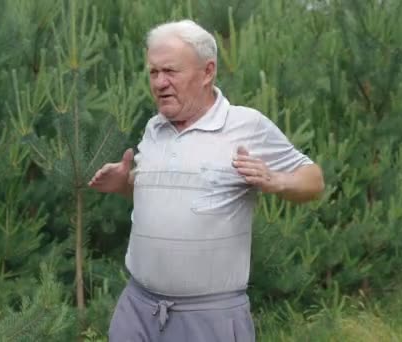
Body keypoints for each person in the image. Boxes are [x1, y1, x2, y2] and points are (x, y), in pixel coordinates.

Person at [89, 19, 325, 342]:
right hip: (137, 311)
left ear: (208, 71)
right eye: (153, 72)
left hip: (208, 320)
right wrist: (124, 184)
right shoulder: (154, 128)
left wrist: (277, 181)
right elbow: (164, 199)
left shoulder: (246, 125)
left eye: (170, 71)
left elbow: (314, 180)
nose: (159, 83)